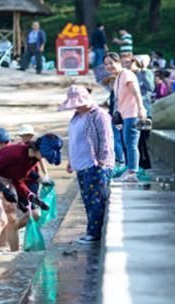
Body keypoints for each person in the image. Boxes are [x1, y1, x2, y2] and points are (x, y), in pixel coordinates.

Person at [0, 134, 62, 254]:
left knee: (11, 220)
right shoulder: (15, 153)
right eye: (44, 156)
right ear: (38, 149)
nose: (43, 159)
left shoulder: (32, 159)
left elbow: (18, 179)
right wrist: (4, 190)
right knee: (0, 220)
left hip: (7, 179)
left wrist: (33, 198)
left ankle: (13, 253)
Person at [60, 86, 114, 245]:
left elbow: (106, 139)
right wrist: (71, 160)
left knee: (95, 199)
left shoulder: (99, 115)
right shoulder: (76, 116)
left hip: (95, 164)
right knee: (87, 198)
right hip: (81, 164)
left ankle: (94, 233)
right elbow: (75, 141)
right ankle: (90, 231)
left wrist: (103, 161)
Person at [104, 52, 146, 182]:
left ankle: (132, 171)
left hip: (132, 114)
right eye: (106, 64)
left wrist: (141, 108)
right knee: (127, 143)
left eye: (111, 63)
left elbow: (136, 92)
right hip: (124, 115)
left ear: (119, 62)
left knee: (131, 144)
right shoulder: (118, 78)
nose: (109, 66)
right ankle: (130, 169)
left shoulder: (127, 74)